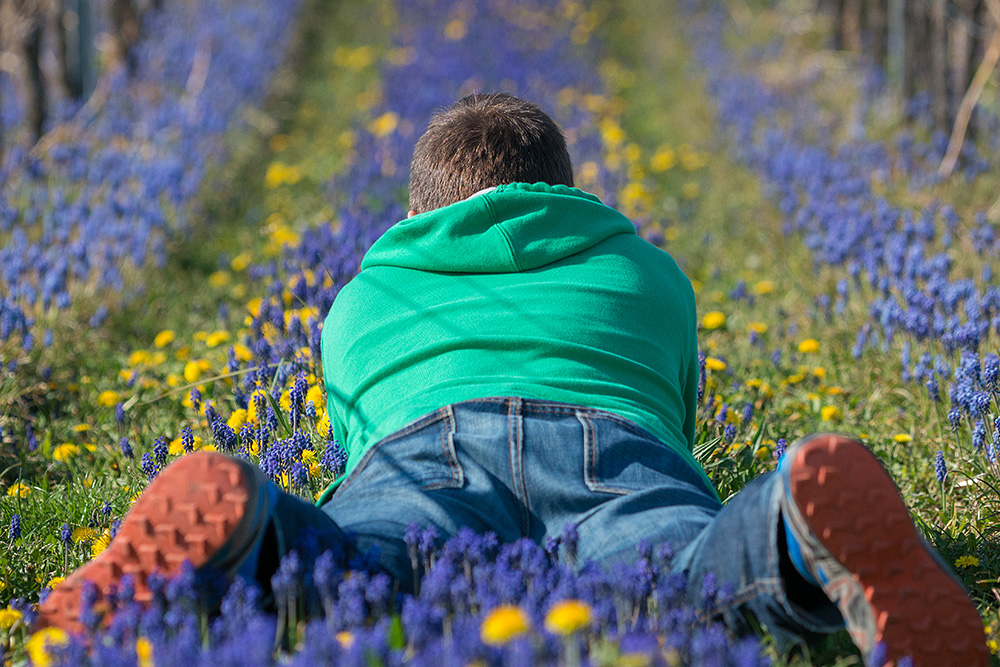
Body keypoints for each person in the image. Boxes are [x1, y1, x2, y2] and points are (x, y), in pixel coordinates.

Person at [38, 93, 988, 666]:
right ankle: (788, 519)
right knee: (678, 585)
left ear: (418, 211)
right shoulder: (647, 273)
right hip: (618, 451)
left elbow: (351, 439)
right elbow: (679, 412)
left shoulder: (366, 297)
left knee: (364, 577)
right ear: (573, 193)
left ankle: (248, 523)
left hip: (424, 452)